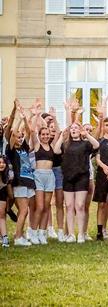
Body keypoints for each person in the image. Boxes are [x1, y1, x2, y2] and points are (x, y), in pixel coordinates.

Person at [54, 122, 100, 243]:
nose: (73, 129)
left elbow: (96, 145)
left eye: (76, 128)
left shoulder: (85, 144)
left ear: (80, 131)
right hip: (68, 178)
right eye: (72, 128)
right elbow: (56, 150)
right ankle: (70, 234)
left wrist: (87, 135)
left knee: (79, 206)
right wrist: (60, 137)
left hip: (82, 177)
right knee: (69, 206)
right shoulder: (66, 144)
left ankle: (80, 234)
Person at [6, 102, 35, 247]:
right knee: (23, 210)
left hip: (28, 181)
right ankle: (18, 238)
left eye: (20, 137)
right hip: (19, 182)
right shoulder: (10, 150)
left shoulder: (24, 147)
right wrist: (17, 118)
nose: (20, 138)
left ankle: (20, 235)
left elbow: (29, 133)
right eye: (18, 137)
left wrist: (25, 118)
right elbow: (13, 134)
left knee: (25, 211)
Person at [0, 156, 10, 247]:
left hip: (2, 193)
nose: (2, 164)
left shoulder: (7, 176)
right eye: (0, 163)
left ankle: (5, 238)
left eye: (3, 163)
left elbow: (10, 194)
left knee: (1, 215)